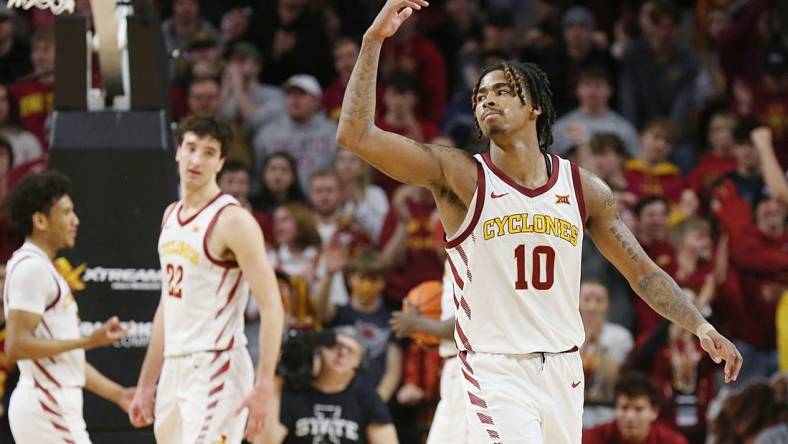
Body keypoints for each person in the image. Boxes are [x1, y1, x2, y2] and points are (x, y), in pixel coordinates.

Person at [335, 2, 742, 442]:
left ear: (535, 108)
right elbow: (355, 135)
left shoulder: (585, 189)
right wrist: (372, 40)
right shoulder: (460, 176)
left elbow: (643, 274)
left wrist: (699, 325)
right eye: (479, 96)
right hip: (495, 367)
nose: (486, 99)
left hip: (565, 368)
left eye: (502, 90)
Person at [127, 115, 284, 443]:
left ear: (220, 162)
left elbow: (271, 306)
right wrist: (145, 384)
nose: (197, 159)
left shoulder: (233, 221)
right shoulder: (170, 216)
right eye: (191, 148)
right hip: (175, 365)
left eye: (209, 152)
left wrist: (264, 384)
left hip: (217, 363)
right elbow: (166, 308)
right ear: (178, 152)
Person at [3, 170, 133, 443]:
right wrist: (86, 342)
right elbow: (16, 345)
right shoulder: (31, 268)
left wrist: (118, 394)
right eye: (66, 212)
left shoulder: (42, 267)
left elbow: (64, 360)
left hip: (52, 401)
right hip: (47, 403)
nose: (75, 220)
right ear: (40, 220)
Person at [265, 328, 399, 444]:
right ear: (320, 350)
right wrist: (277, 375)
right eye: (336, 346)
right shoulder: (294, 391)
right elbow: (266, 441)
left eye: (350, 351)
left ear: (358, 363)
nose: (342, 353)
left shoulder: (367, 398)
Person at [582, 372, 690, 444]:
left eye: (639, 409)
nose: (630, 417)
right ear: (615, 409)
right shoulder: (592, 439)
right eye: (624, 408)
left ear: (654, 412)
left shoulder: (673, 442)